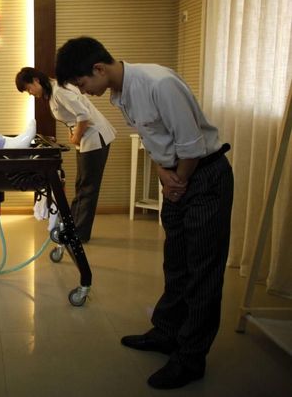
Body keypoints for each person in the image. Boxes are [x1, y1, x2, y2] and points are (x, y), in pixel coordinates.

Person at [55, 36, 234, 390]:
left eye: (82, 84)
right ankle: (167, 332)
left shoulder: (159, 84)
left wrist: (177, 183)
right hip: (176, 176)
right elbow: (155, 140)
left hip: (204, 176)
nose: (84, 92)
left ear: (98, 68)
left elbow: (191, 144)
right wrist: (162, 173)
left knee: (203, 270)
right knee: (176, 261)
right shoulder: (120, 93)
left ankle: (190, 358)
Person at [15, 67, 116, 243]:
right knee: (82, 185)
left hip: (95, 138)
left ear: (36, 80)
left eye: (29, 88)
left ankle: (80, 234)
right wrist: (75, 134)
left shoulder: (59, 90)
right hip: (86, 139)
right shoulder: (53, 91)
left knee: (88, 187)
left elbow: (83, 115)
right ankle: (74, 226)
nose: (30, 93)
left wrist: (76, 136)